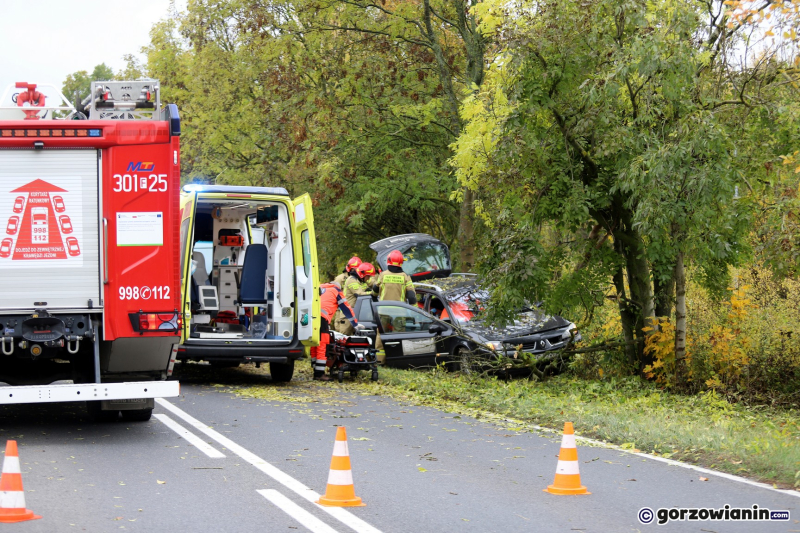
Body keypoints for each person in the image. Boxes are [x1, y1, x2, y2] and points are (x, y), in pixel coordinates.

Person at [371, 251, 416, 362]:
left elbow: (374, 291)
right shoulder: (405, 277)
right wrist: (415, 311)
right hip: (399, 313)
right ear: (401, 263)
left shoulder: (383, 275)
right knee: (398, 336)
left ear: (389, 261)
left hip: (383, 312)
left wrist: (374, 297)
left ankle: (380, 360)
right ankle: (396, 361)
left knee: (381, 336)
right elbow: (412, 297)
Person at [311, 281, 359, 381]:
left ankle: (315, 367)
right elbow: (346, 308)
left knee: (314, 341)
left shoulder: (319, 286)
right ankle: (319, 374)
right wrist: (355, 324)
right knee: (323, 344)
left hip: (311, 317)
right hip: (322, 318)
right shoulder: (336, 290)